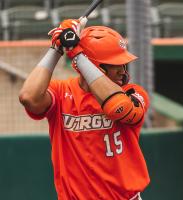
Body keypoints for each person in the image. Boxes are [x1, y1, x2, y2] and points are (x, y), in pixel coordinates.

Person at [19, 18, 150, 200]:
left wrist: (78, 55)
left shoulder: (133, 93)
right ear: (94, 64)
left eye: (123, 63)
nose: (122, 70)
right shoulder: (61, 91)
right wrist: (56, 48)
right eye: (114, 64)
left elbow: (117, 107)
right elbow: (29, 97)